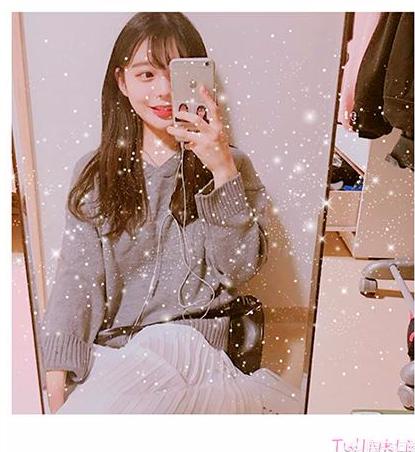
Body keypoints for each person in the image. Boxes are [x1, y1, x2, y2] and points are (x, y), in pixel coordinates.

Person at [41, 12, 300, 414]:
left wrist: (221, 170)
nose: (163, 91)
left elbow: (239, 268)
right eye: (146, 75)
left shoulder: (232, 166)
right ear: (121, 82)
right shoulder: (95, 174)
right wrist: (58, 373)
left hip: (200, 354)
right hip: (120, 360)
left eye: (175, 74)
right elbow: (77, 279)